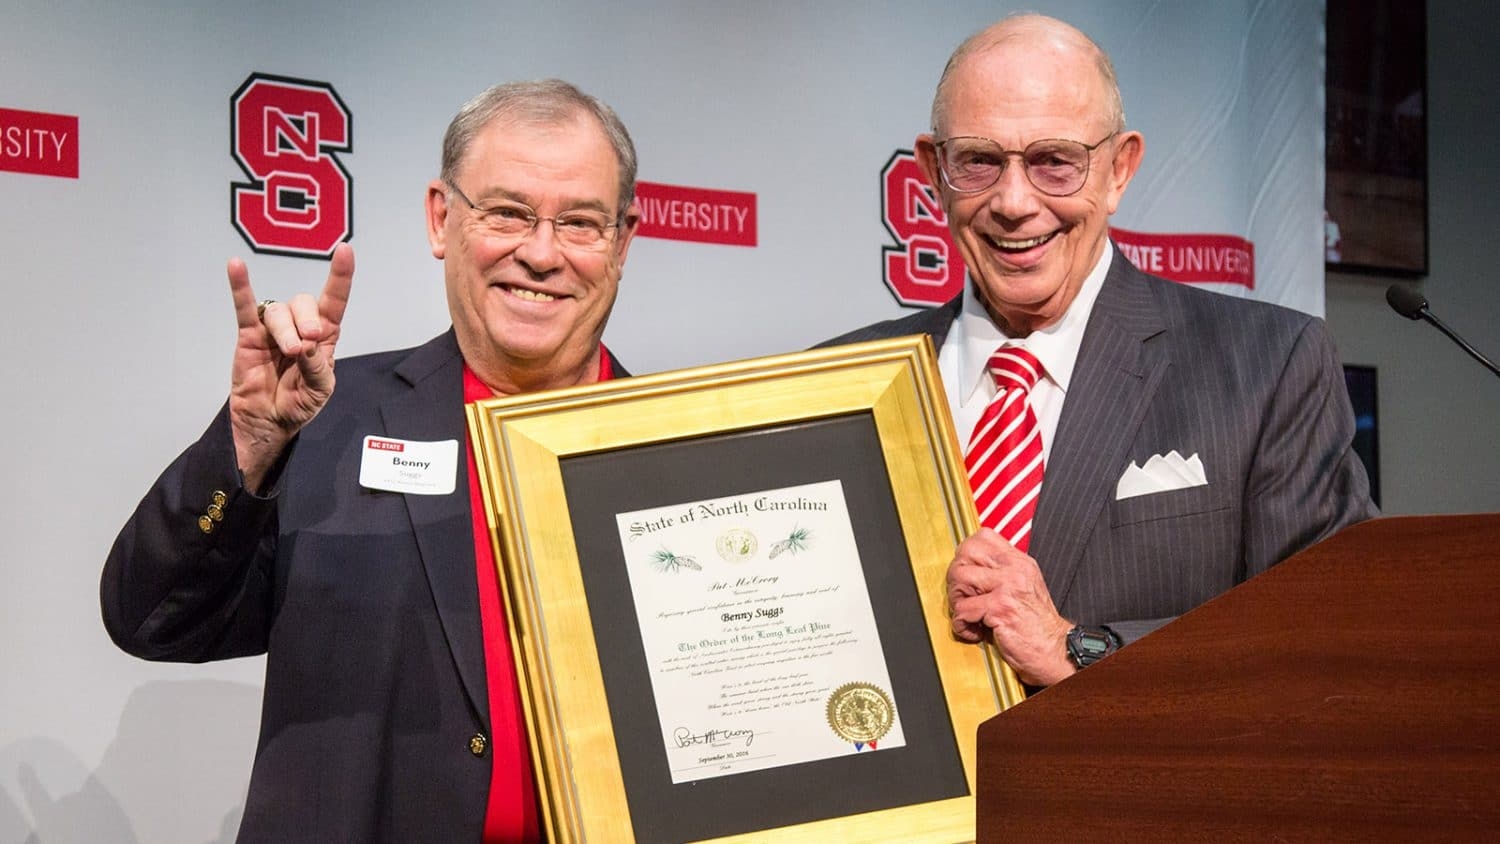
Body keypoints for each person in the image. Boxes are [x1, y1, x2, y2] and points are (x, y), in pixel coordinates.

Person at [101, 79, 640, 842]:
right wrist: (248, 447)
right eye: (508, 212)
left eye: (580, 222)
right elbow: (149, 619)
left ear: (622, 241)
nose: (541, 253)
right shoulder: (322, 420)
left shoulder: (682, 456)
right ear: (441, 218)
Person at [821, 15, 1375, 689]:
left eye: (1055, 162)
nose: (1014, 202)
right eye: (980, 162)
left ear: (1119, 170)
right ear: (936, 171)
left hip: (1135, 792)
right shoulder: (837, 388)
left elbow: (1325, 635)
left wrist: (1077, 649)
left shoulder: (1266, 365)